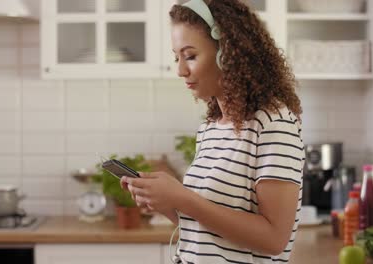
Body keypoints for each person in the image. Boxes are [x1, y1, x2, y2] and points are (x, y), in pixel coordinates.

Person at [121, 0, 304, 263]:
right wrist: (167, 205)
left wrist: (183, 198)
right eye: (176, 57)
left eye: (191, 56)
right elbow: (206, 229)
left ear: (227, 53)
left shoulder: (273, 123)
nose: (180, 70)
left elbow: (274, 239)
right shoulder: (211, 129)